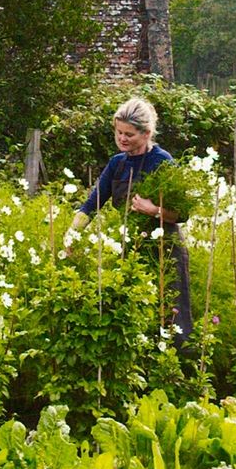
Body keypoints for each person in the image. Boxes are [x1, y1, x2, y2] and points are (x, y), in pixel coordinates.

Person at [69, 96, 193, 342]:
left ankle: (175, 370)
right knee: (132, 313)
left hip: (165, 250)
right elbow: (91, 204)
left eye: (129, 134)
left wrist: (153, 209)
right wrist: (72, 234)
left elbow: (183, 213)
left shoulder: (162, 161)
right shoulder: (117, 164)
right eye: (119, 133)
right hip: (131, 249)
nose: (122, 139)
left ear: (146, 134)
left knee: (171, 315)